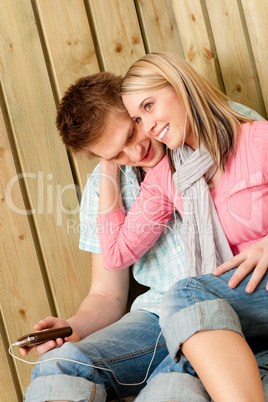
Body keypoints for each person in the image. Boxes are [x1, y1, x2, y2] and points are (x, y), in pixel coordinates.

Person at [22, 72, 265, 402]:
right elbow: (107, 294)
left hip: (226, 297)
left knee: (169, 388)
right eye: (116, 153)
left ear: (136, 106)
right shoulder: (104, 188)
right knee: (59, 363)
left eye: (131, 131)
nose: (135, 154)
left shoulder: (214, 124)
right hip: (155, 317)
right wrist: (72, 328)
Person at [94, 52, 268, 401]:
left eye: (149, 106)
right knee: (177, 366)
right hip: (241, 298)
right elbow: (115, 254)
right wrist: (109, 164)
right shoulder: (167, 177)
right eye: (137, 118)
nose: (148, 126)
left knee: (187, 295)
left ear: (180, 86)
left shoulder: (257, 139)